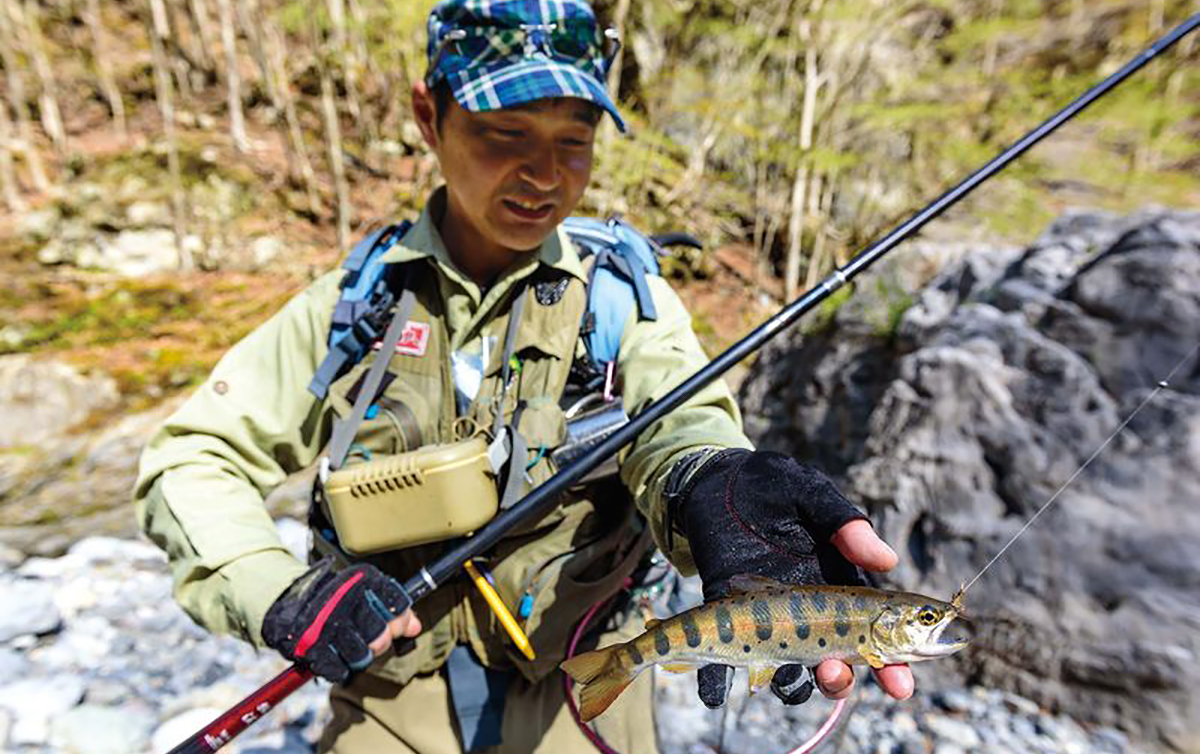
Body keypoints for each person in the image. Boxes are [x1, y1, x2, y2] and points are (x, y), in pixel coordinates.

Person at [134, 1, 914, 752]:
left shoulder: (622, 302)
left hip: (589, 693)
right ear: (427, 116)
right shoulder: (355, 308)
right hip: (391, 700)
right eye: (505, 132)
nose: (543, 175)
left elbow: (683, 424)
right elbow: (193, 456)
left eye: (574, 141)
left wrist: (711, 479)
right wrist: (275, 590)